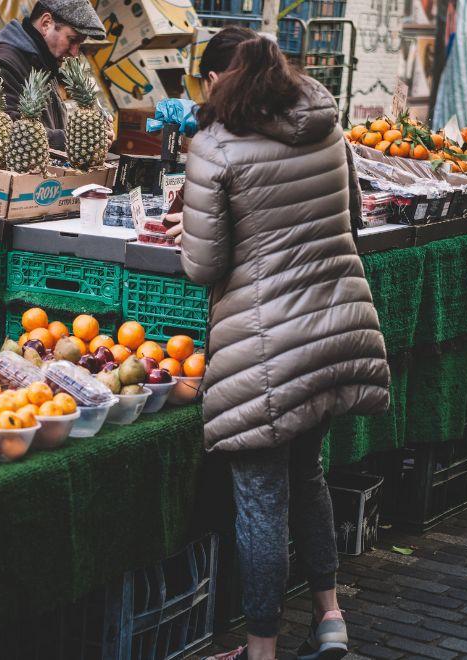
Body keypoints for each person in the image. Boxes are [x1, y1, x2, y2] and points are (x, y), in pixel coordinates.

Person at [174, 29, 391, 660]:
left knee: (261, 501)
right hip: (332, 330)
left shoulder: (214, 147)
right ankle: (329, 617)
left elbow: (203, 264)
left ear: (218, 80)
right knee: (309, 476)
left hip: (266, 347)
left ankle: (262, 651)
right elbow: (352, 214)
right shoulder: (325, 123)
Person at [0, 0, 105, 152]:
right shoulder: (1, 65)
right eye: (72, 40)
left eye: (80, 44)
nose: (74, 52)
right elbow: (10, 135)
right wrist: (80, 138)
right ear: (46, 23)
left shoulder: (44, 66)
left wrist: (91, 132)